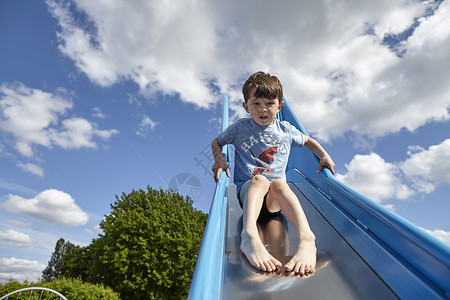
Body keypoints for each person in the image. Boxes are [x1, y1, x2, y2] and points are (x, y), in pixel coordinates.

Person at [211, 71, 335, 275]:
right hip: (249, 194)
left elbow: (308, 141)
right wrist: (219, 160)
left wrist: (323, 155)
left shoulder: (285, 129)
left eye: (269, 103)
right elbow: (217, 142)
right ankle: (249, 234)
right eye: (256, 103)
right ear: (246, 106)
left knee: (278, 183)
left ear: (280, 106)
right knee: (259, 180)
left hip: (274, 202)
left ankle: (307, 238)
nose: (263, 109)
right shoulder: (240, 128)